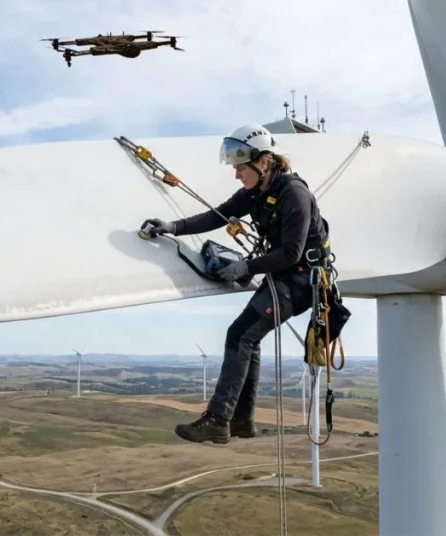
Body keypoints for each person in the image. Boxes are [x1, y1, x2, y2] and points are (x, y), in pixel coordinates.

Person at [141, 123, 334, 444]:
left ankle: (219, 420)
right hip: (285, 276)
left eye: (241, 168)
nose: (236, 175)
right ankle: (242, 420)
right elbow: (218, 215)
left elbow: (290, 252)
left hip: (302, 281)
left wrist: (246, 266)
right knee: (247, 337)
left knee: (240, 335)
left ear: (263, 162)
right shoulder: (257, 193)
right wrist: (172, 227)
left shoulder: (294, 195)